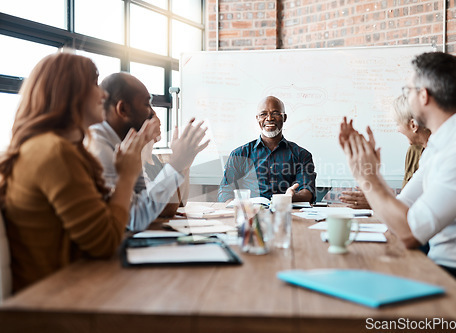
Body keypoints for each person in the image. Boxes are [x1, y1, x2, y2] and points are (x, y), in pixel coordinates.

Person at [339, 52, 456, 310]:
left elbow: (410, 233)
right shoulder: (439, 146)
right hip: (444, 272)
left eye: (408, 89)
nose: (407, 97)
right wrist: (370, 176)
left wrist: (368, 176)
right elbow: (401, 208)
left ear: (424, 96)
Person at [0, 52, 157, 292]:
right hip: (56, 300)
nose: (103, 94)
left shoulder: (59, 148)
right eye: (94, 84)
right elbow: (105, 242)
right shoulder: (54, 152)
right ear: (69, 93)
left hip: (72, 286)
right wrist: (126, 176)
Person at [89, 72, 208, 231]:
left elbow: (144, 205)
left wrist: (179, 165)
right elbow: (135, 218)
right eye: (146, 104)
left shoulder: (126, 147)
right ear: (122, 109)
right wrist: (175, 165)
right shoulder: (98, 146)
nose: (151, 113)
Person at [217, 96, 316, 202]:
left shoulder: (302, 155)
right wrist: (237, 209)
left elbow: (308, 192)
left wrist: (291, 197)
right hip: (251, 214)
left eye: (276, 113)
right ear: (257, 118)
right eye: (263, 114)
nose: (269, 118)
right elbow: (225, 191)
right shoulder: (240, 154)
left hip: (286, 213)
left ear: (284, 118)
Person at [340, 94, 431, 209]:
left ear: (413, 125)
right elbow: (405, 201)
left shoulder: (441, 155)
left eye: (398, 123)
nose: (397, 129)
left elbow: (412, 208)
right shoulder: (414, 151)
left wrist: (375, 199)